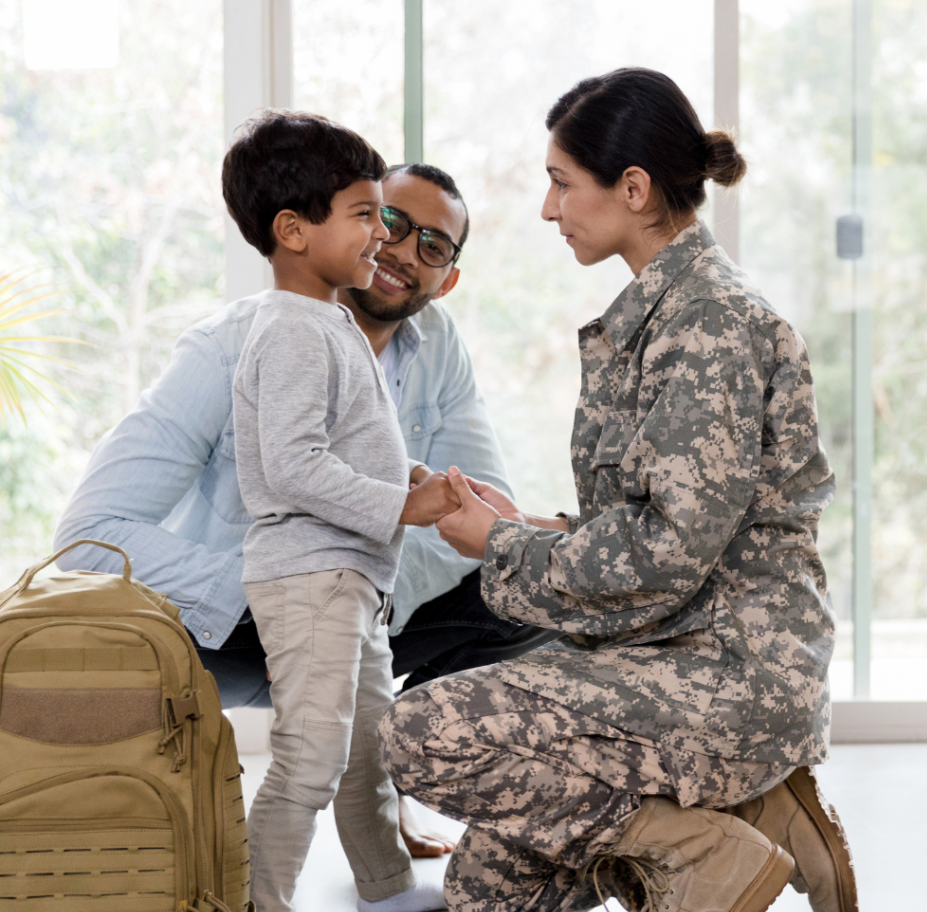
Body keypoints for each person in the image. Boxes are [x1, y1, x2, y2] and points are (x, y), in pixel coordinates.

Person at [380, 68, 859, 912]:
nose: (549, 208)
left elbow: (669, 551)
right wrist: (539, 524)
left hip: (728, 671)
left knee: (415, 735)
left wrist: (504, 547)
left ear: (633, 189)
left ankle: (704, 856)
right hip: (664, 655)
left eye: (563, 181)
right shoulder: (656, 316)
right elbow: (654, 516)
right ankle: (760, 813)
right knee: (489, 896)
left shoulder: (710, 325)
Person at [53, 157, 555, 859]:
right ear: (345, 219)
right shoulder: (226, 346)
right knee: (289, 776)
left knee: (532, 587)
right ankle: (261, 910)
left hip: (361, 622)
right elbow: (87, 537)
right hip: (229, 628)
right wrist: (283, 601)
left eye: (433, 245)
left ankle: (402, 767)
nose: (405, 251)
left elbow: (475, 526)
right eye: (388, 220)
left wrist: (349, 614)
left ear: (450, 277)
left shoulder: (437, 348)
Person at [226, 112, 460, 912]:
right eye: (365, 215)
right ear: (294, 232)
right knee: (312, 758)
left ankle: (386, 883)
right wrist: (404, 507)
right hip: (312, 579)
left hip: (353, 580)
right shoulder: (291, 327)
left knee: (372, 749)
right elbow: (293, 468)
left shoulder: (326, 322)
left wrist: (419, 480)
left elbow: (356, 448)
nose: (383, 234)